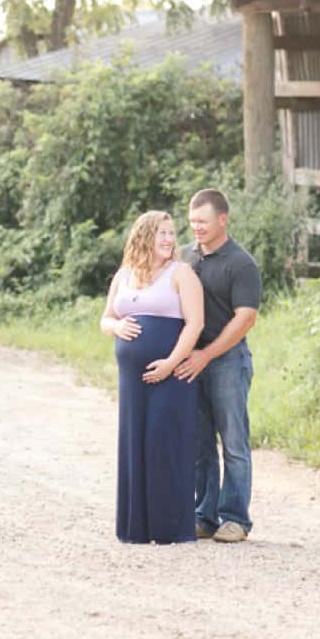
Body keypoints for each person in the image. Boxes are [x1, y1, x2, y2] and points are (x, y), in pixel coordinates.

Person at [100, 211, 203, 544]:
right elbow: (106, 319)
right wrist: (116, 326)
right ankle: (136, 528)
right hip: (131, 378)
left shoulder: (181, 273)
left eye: (172, 233)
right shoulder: (124, 275)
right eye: (161, 233)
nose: (169, 239)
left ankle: (169, 527)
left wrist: (171, 363)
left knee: (165, 443)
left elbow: (195, 324)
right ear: (144, 236)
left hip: (171, 375)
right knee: (135, 442)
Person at [174, 189, 261, 544]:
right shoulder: (184, 257)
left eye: (203, 222)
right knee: (199, 444)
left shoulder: (241, 263)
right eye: (192, 222)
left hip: (226, 362)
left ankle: (236, 519)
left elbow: (246, 318)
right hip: (189, 363)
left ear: (222, 220)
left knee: (234, 442)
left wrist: (207, 354)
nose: (196, 228)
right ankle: (204, 516)